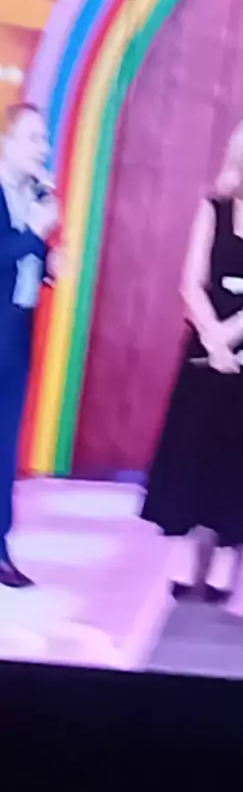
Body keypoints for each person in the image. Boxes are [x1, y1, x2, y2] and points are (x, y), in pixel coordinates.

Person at [141, 111, 243, 602]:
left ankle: (230, 550)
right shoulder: (213, 207)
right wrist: (213, 337)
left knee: (242, 450)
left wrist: (235, 333)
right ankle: (186, 545)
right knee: (194, 442)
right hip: (206, 337)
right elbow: (192, 281)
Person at [0, 103, 59, 588]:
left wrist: (50, 265)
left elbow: (27, 259)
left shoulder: (34, 196)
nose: (43, 149)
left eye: (44, 139)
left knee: (4, 445)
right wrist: (37, 232)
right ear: (6, 143)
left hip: (17, 330)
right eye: (33, 139)